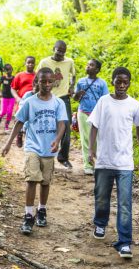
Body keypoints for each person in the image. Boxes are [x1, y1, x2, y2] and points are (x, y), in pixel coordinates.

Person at [88, 67, 139, 259]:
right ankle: (100, 223)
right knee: (102, 197)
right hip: (104, 160)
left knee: (125, 203)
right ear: (112, 81)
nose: (121, 85)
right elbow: (94, 125)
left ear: (129, 83)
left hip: (125, 163)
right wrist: (91, 149)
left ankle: (124, 242)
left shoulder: (134, 105)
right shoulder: (104, 101)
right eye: (118, 81)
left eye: (125, 82)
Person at [1, 67, 67, 235]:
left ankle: (42, 210)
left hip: (49, 149)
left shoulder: (58, 103)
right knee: (31, 179)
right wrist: (8, 143)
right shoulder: (30, 102)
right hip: (33, 147)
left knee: (45, 182)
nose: (46, 84)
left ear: (54, 82)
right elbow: (19, 122)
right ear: (37, 82)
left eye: (49, 81)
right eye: (43, 81)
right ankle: (28, 215)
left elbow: (62, 124)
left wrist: (57, 140)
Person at [37, 40, 76, 169]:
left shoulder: (69, 62)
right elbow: (37, 78)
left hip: (63, 98)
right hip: (48, 97)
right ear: (53, 49)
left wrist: (71, 86)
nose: (60, 54)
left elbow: (73, 75)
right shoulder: (44, 62)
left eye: (63, 52)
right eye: (58, 51)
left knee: (66, 127)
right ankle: (45, 155)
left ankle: (63, 157)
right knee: (47, 127)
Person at [73, 59, 109, 175]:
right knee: (85, 139)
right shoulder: (81, 81)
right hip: (83, 112)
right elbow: (75, 98)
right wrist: (78, 94)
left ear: (97, 70)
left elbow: (105, 99)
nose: (88, 66)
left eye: (91, 65)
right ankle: (87, 165)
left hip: (97, 114)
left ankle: (98, 163)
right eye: (87, 64)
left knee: (98, 139)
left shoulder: (102, 83)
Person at [12, 56, 37, 147]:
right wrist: (17, 97)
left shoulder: (37, 75)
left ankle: (30, 137)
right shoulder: (19, 75)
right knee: (20, 118)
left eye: (32, 62)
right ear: (25, 63)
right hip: (22, 101)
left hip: (34, 102)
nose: (30, 64)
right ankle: (19, 135)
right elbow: (13, 88)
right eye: (28, 62)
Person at [0, 64, 16, 131]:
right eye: (7, 70)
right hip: (4, 97)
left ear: (12, 69)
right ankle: (0, 116)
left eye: (10, 69)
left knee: (9, 112)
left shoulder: (14, 78)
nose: (8, 71)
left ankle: (6, 126)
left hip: (12, 97)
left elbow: (16, 87)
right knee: (3, 111)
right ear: (4, 70)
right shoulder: (3, 78)